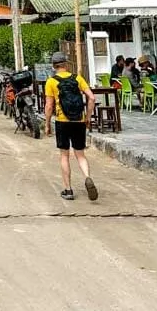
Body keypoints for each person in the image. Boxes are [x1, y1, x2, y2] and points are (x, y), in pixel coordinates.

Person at [44, 52, 99, 202]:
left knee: (64, 155)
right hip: (79, 121)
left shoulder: (51, 82)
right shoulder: (78, 78)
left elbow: (49, 106)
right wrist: (87, 117)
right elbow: (92, 98)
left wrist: (47, 124)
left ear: (54, 66)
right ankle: (87, 177)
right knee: (80, 154)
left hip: (62, 121)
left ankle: (68, 190)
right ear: (66, 64)